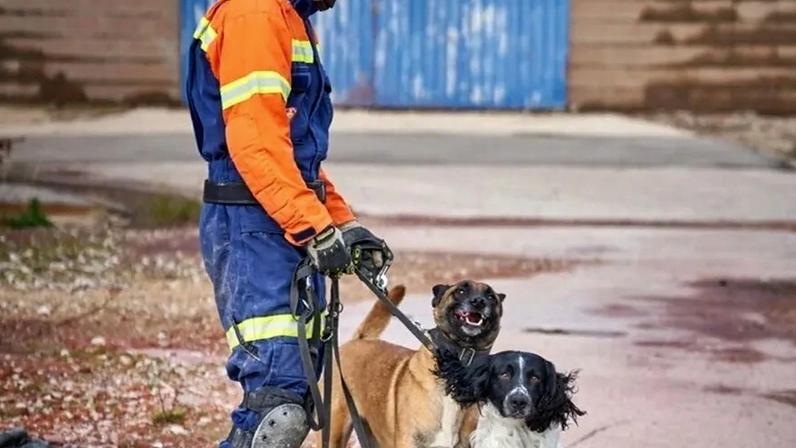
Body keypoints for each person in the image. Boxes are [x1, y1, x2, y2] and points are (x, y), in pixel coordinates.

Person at [185, 0, 390, 447]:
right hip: (254, 224)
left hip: (272, 217)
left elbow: (296, 158)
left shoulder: (288, 16)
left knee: (290, 390)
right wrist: (314, 227)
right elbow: (256, 146)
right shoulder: (255, 14)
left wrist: (342, 224)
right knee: (277, 407)